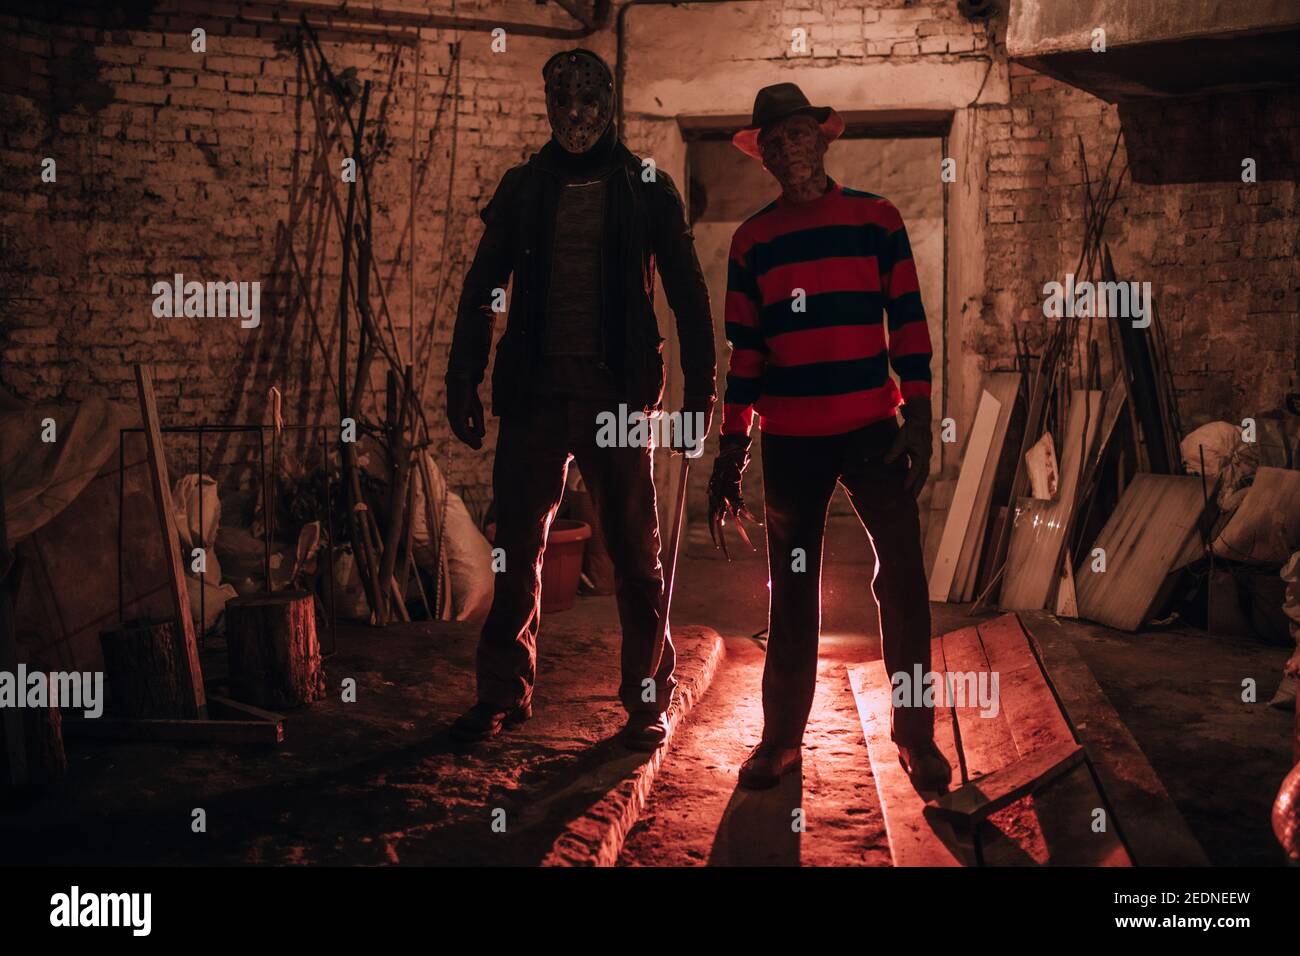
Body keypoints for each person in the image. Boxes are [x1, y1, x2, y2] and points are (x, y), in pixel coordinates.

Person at [444, 49, 716, 751]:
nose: (574, 114)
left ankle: (646, 700)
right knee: (515, 553)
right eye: (560, 100)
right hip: (535, 396)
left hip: (619, 400)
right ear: (547, 104)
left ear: (610, 101)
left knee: (634, 555)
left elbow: (688, 295)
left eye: (587, 99)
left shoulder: (646, 189)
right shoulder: (524, 188)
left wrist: (703, 393)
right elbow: (482, 289)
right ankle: (502, 692)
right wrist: (462, 378)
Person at [708, 82, 950, 790]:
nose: (787, 149)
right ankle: (780, 741)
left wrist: (922, 420)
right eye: (773, 141)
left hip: (874, 428)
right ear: (765, 157)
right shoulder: (751, 240)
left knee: (902, 582)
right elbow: (744, 355)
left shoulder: (877, 219)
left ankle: (917, 736)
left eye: (797, 134)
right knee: (792, 589)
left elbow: (909, 325)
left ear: (821, 138)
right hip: (790, 439)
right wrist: (732, 445)